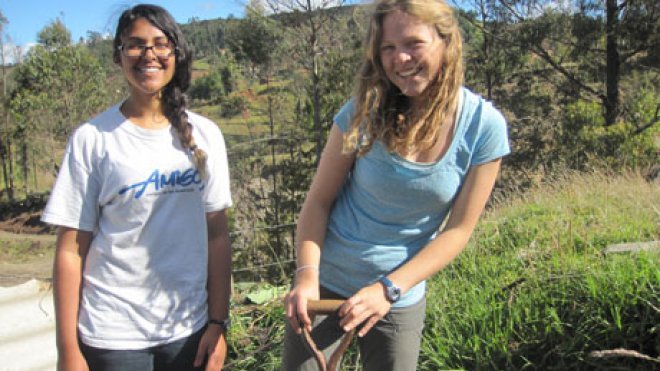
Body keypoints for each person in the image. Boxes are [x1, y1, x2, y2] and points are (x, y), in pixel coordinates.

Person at [282, 0, 510, 369]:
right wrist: (306, 277)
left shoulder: (483, 127)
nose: (400, 59)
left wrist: (388, 289)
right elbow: (318, 202)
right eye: (388, 48)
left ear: (446, 42)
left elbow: (457, 231)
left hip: (397, 294)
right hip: (326, 282)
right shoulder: (362, 112)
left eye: (413, 43)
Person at [42, 4, 232, 371]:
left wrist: (217, 323)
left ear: (176, 54)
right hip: (113, 338)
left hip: (187, 330)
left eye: (161, 44)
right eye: (135, 44)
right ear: (118, 56)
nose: (149, 54)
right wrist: (68, 350)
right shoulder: (93, 139)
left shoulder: (206, 135)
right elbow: (70, 251)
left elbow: (217, 235)